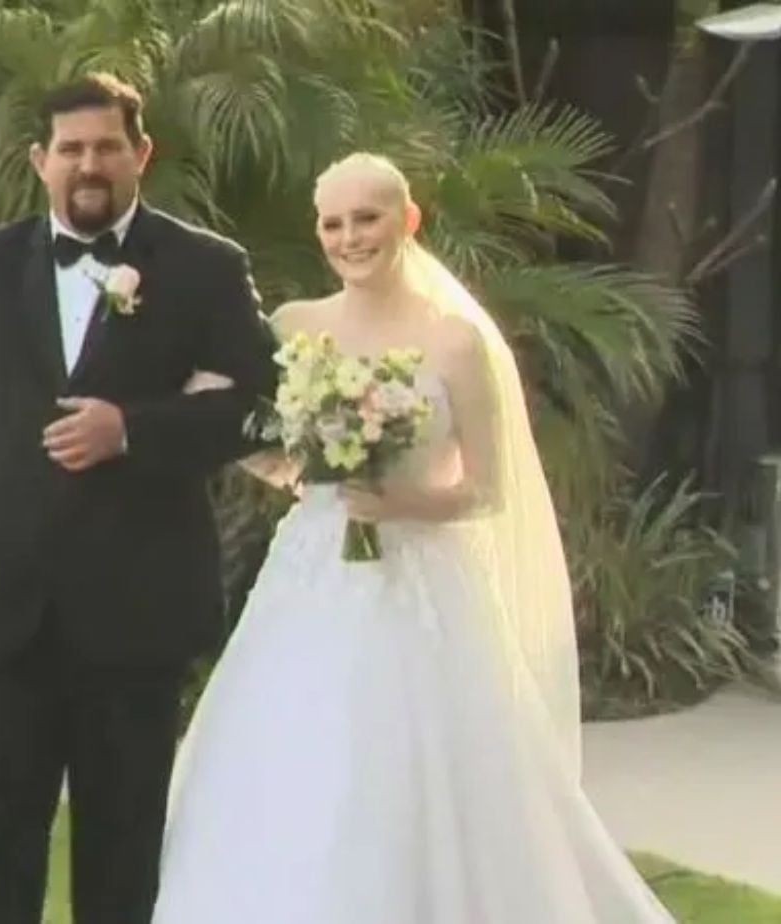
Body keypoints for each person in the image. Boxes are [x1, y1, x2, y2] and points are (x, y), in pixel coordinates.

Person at [150, 152, 677, 923]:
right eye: (333, 222)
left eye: (367, 217)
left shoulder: (456, 342)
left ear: (408, 220)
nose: (350, 236)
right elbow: (277, 450)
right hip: (313, 576)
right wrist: (290, 466)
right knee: (296, 751)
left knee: (416, 761)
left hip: (424, 579)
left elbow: (486, 490)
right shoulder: (293, 326)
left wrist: (401, 502)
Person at [0, 73, 280, 924]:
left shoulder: (206, 267)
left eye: (106, 146)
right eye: (71, 149)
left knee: (125, 836)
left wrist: (132, 427)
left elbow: (264, 407)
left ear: (142, 154)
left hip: (139, 601)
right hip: (5, 597)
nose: (88, 164)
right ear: (39, 161)